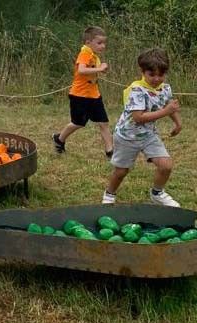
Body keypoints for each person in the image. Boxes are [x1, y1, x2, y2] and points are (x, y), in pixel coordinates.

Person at [102, 48, 182, 206]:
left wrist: (177, 123)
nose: (156, 79)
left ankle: (157, 193)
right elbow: (138, 118)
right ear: (142, 71)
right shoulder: (136, 90)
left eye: (161, 75)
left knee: (166, 166)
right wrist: (166, 112)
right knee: (121, 171)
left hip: (149, 135)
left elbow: (168, 104)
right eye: (151, 74)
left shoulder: (165, 88)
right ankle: (110, 194)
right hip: (127, 136)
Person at [52, 26, 113, 157]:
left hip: (94, 95)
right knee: (78, 123)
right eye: (99, 43)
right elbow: (82, 70)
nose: (103, 46)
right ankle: (59, 139)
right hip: (79, 95)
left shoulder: (94, 56)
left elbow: (93, 71)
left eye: (104, 43)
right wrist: (100, 69)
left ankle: (110, 152)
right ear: (88, 43)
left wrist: (103, 68)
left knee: (103, 122)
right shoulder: (85, 53)